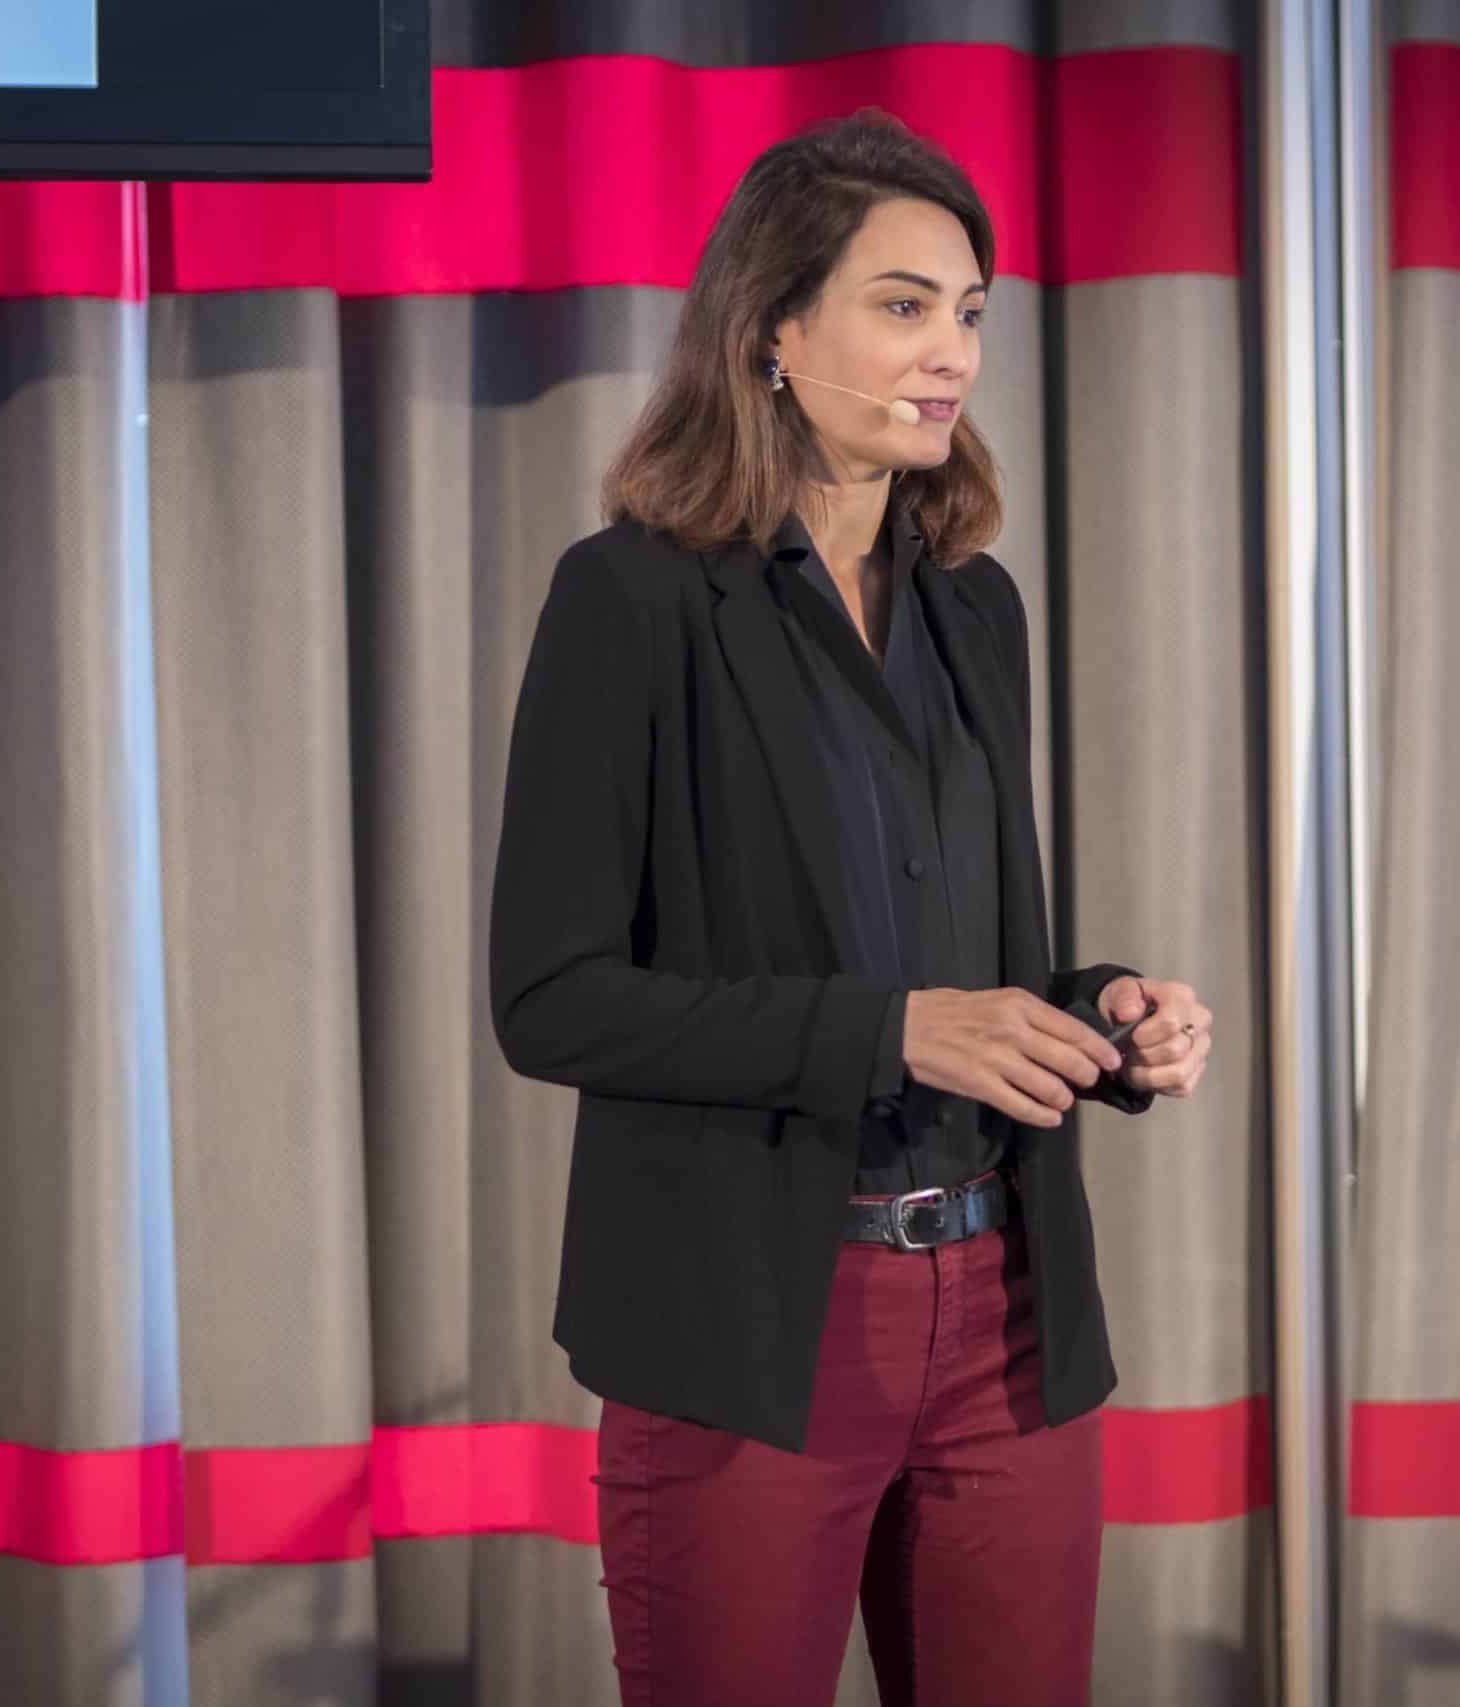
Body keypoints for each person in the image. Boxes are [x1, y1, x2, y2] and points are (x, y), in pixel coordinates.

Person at [487, 108, 1213, 1707]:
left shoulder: (976, 605)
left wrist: (1101, 1013)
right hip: (756, 1319)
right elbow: (549, 997)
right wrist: (892, 1033)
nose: (949, 351)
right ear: (772, 332)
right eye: (902, 306)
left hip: (1006, 1314)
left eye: (967, 313)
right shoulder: (634, 599)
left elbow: (972, 970)